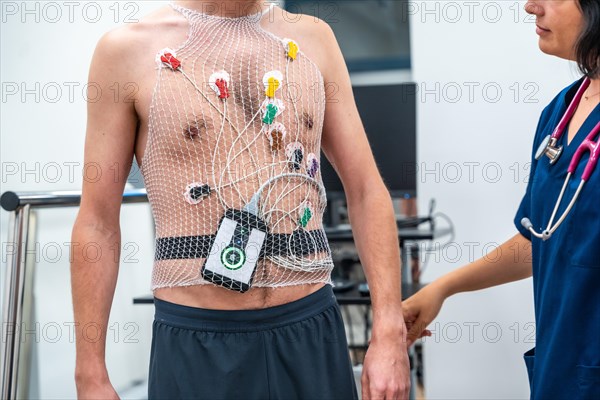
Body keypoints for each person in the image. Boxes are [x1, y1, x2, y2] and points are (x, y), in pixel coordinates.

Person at [70, 1, 411, 399]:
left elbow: (367, 189)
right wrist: (89, 374)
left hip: (310, 327)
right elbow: (97, 221)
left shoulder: (313, 39)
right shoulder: (127, 51)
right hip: (200, 339)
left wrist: (389, 329)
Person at [402, 0, 600, 398]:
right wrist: (442, 288)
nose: (531, 7)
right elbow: (539, 238)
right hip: (563, 365)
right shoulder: (560, 113)